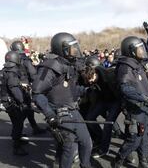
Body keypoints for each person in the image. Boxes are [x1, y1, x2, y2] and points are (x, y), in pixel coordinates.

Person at [32, 32, 93, 168]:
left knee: (86, 142)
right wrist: (50, 114)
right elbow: (37, 93)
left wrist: (88, 91)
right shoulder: (49, 67)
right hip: (60, 113)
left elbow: (70, 90)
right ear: (63, 49)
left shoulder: (69, 65)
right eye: (72, 48)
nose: (76, 50)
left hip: (74, 110)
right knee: (69, 147)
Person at [114, 22, 148, 168]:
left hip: (146, 106)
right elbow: (125, 88)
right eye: (139, 49)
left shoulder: (138, 62)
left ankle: (143, 161)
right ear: (131, 51)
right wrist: (142, 98)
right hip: (135, 107)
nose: (142, 52)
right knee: (135, 138)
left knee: (146, 137)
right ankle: (119, 159)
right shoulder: (125, 67)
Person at [10, 40, 46, 135]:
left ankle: (34, 128)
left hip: (13, 88)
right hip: (24, 89)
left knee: (27, 109)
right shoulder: (25, 60)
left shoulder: (11, 60)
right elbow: (33, 75)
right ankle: (16, 135)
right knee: (24, 111)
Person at [2, 51, 30, 156]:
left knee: (16, 121)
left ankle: (16, 137)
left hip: (7, 101)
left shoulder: (5, 70)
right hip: (12, 102)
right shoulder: (12, 72)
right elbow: (15, 90)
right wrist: (22, 101)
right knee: (18, 122)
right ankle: (16, 146)